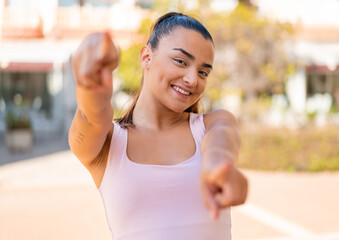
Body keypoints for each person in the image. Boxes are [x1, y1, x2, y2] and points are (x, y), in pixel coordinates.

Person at [69, 12, 248, 240]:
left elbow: (221, 144)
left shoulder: (214, 124)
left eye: (203, 72)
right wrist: (88, 83)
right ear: (146, 57)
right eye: (181, 61)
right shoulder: (109, 143)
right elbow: (92, 115)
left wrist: (219, 166)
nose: (193, 79)